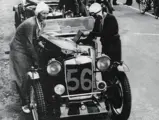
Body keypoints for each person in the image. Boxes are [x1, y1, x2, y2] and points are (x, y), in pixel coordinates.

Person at [9, 2, 49, 113]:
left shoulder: (43, 23)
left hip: (27, 47)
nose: (45, 16)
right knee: (23, 75)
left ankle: (38, 92)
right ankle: (25, 103)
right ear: (38, 13)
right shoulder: (30, 24)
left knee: (37, 66)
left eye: (47, 13)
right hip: (19, 49)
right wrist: (36, 59)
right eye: (43, 13)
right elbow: (29, 44)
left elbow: (38, 39)